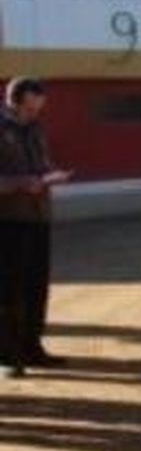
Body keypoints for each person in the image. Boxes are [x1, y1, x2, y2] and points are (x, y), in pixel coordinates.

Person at [0, 76, 71, 378]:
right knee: (7, 290)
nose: (34, 114)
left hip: (38, 216)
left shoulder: (35, 128)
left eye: (38, 109)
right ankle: (6, 356)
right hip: (7, 220)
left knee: (36, 286)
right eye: (29, 109)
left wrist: (49, 175)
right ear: (12, 103)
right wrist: (20, 183)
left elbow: (40, 162)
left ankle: (32, 346)